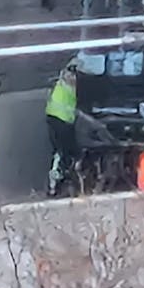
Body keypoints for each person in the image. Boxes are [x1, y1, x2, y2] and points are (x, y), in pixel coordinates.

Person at [45, 62, 80, 195]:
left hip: (57, 118)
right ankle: (53, 184)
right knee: (61, 150)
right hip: (60, 119)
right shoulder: (71, 80)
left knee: (63, 150)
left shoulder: (64, 78)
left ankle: (60, 178)